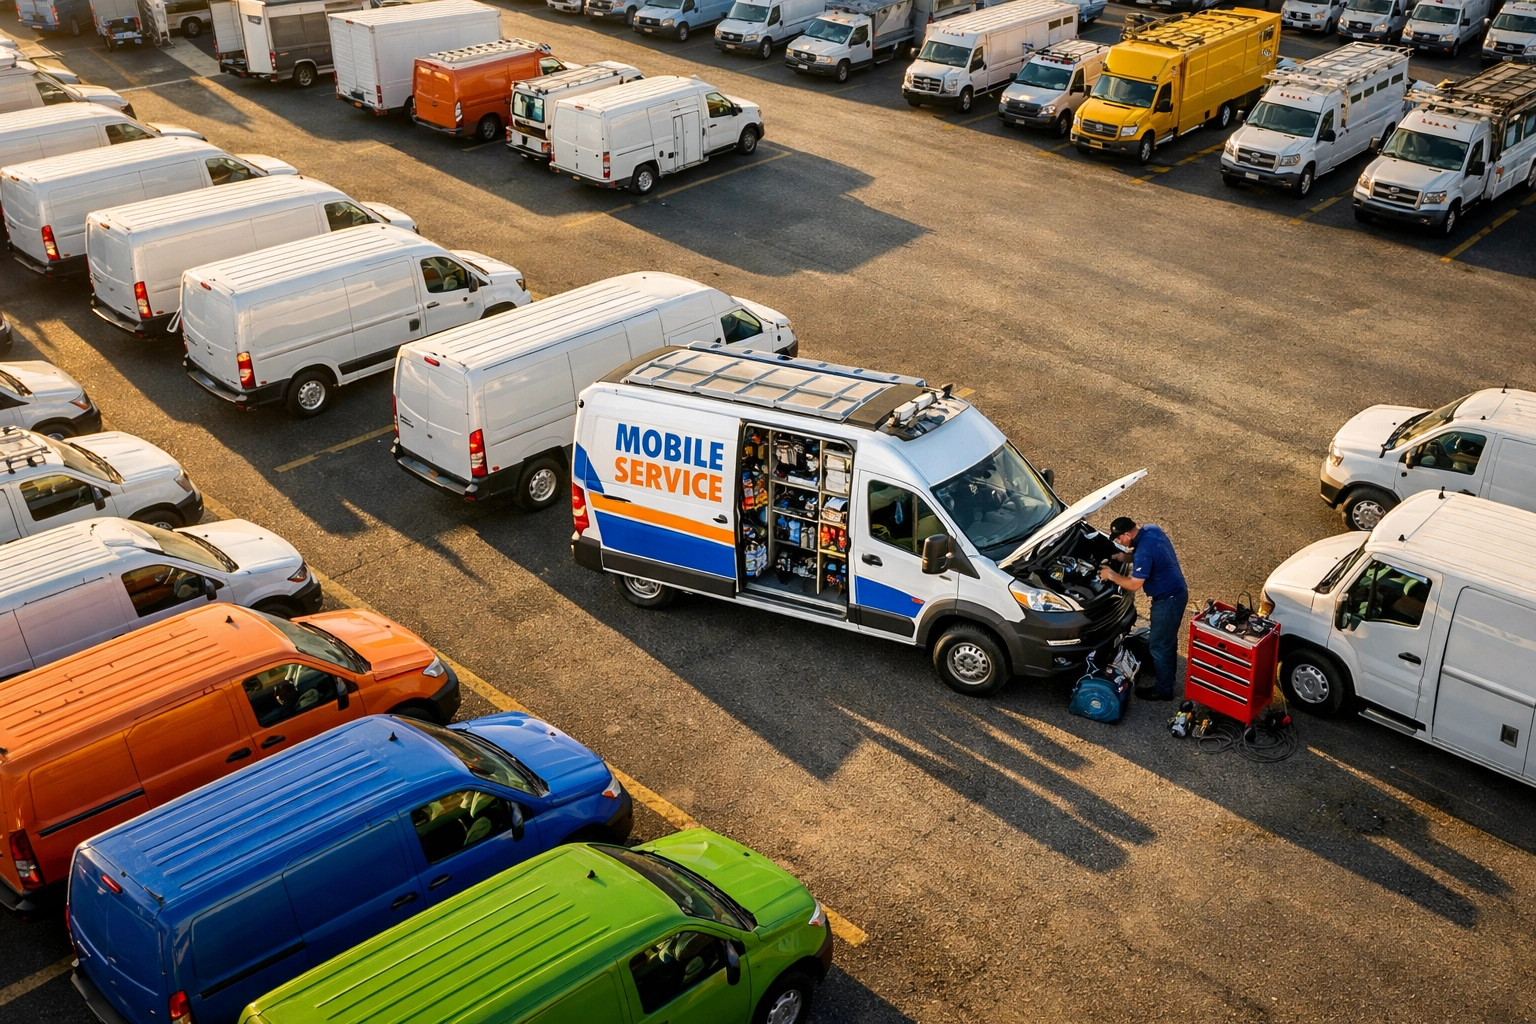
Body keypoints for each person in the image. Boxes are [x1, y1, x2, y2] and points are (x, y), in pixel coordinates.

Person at [1098, 517, 1188, 701]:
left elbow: (1134, 584)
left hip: (1167, 601)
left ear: (1127, 534)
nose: (1119, 542)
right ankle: (1166, 676)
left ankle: (1164, 690)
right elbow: (1146, 555)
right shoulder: (1151, 530)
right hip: (1176, 593)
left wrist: (1110, 574)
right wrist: (1124, 557)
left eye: (1119, 539)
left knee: (1159, 645)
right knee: (1167, 641)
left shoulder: (1144, 552)